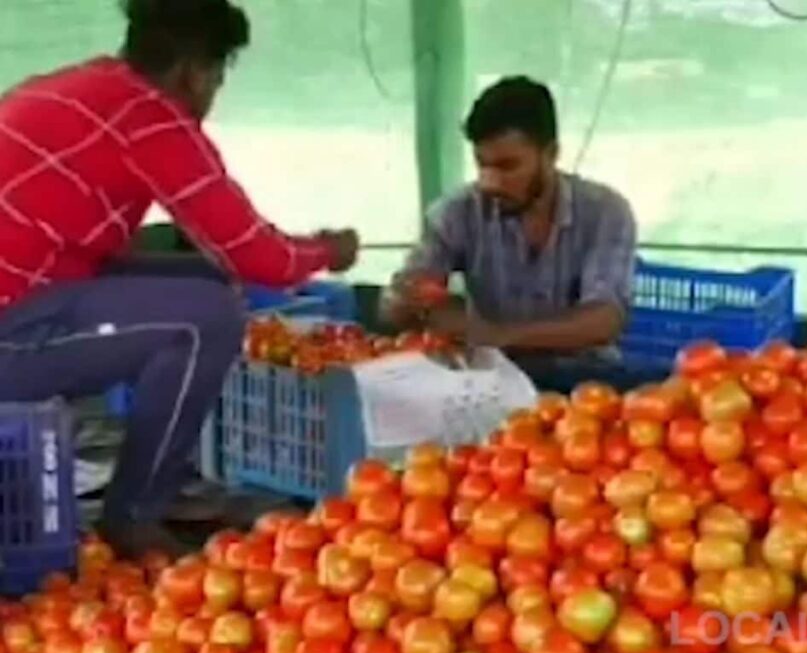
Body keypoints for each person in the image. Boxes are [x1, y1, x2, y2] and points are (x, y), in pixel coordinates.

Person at [0, 0, 358, 556]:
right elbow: (260, 257)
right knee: (207, 319)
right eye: (216, 78)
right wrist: (329, 249)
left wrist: (214, 269)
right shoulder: (148, 117)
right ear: (194, 70)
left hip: (34, 291)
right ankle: (135, 511)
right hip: (12, 331)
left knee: (205, 282)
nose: (211, 97)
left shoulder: (80, 87)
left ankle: (170, 467)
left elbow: (93, 253)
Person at [383, 76, 637, 385]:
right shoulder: (456, 213)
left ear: (551, 154)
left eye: (507, 166)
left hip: (588, 386)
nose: (491, 182)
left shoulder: (605, 212)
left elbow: (604, 321)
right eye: (482, 165)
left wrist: (495, 335)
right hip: (489, 383)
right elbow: (400, 303)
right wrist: (401, 300)